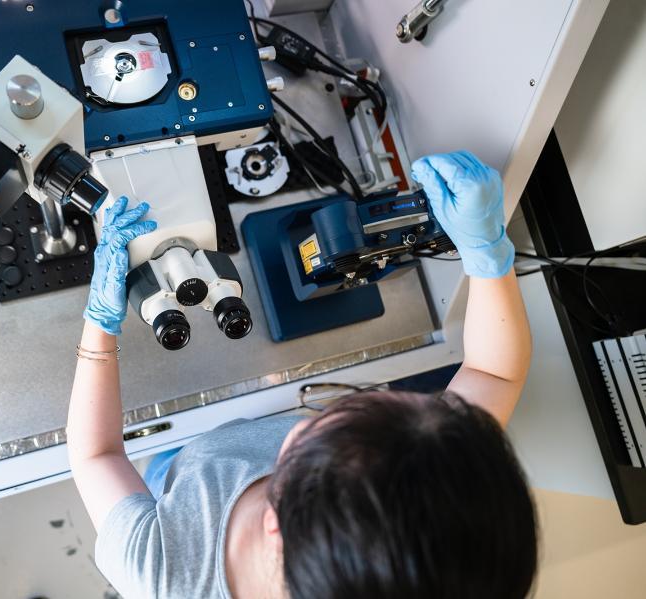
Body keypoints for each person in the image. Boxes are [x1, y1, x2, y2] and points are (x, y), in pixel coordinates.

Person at [67, 151, 537, 599]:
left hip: (177, 479)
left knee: (162, 468)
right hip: (222, 463)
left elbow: (96, 454)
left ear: (276, 519)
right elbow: (492, 375)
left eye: (329, 416)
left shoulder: (163, 575)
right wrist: (488, 252)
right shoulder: (438, 501)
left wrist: (99, 325)